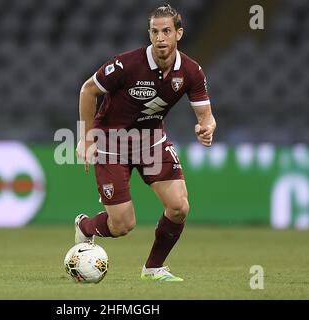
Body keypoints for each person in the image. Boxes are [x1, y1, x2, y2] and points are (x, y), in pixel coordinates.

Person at [75, 4, 216, 281]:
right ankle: (86, 226)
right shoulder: (126, 64)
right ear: (149, 34)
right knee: (123, 224)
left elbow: (207, 117)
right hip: (111, 142)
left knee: (179, 207)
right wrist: (85, 137)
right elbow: (88, 90)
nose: (160, 38)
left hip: (151, 141)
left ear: (179, 33)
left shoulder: (191, 71)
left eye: (166, 31)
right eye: (154, 31)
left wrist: (206, 128)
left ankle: (153, 268)